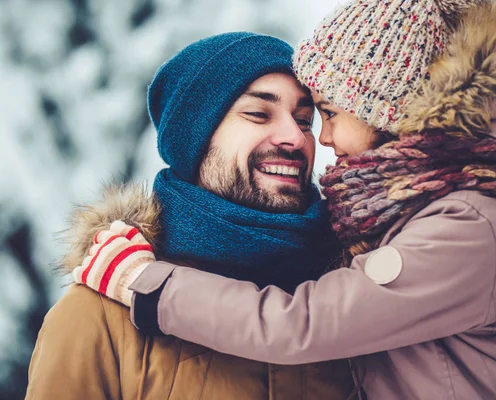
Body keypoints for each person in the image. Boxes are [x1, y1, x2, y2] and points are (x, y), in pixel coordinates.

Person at [76, 0, 496, 399]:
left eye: (323, 112)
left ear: (386, 107)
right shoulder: (94, 319)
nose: (321, 138)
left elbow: (302, 325)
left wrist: (146, 285)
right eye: (258, 114)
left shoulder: (465, 221)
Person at [25, 33, 358, 399]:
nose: (295, 137)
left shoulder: (355, 293)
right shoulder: (100, 316)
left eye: (304, 119)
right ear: (195, 139)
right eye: (259, 114)